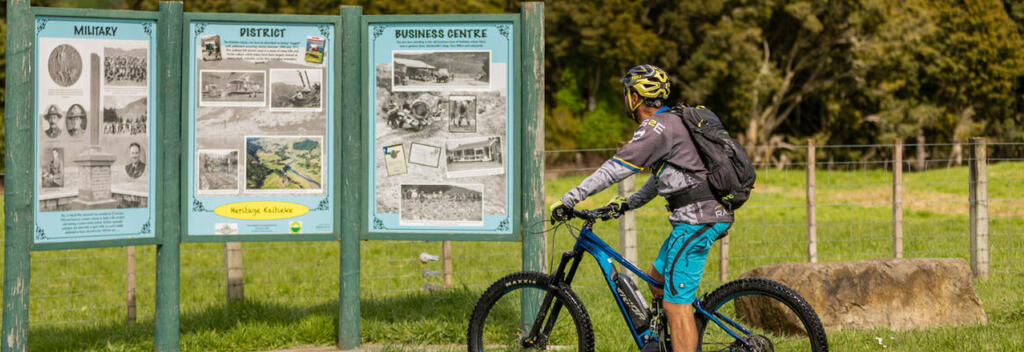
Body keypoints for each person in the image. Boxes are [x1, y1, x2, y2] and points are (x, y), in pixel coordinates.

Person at [550, 65, 733, 352]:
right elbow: (664, 177)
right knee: (657, 280)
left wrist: (570, 198)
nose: (626, 98)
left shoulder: (655, 128)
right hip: (697, 217)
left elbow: (614, 169)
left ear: (636, 96)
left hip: (697, 220)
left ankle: (682, 332)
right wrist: (626, 204)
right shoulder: (673, 122)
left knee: (676, 306)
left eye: (627, 92)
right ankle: (665, 344)